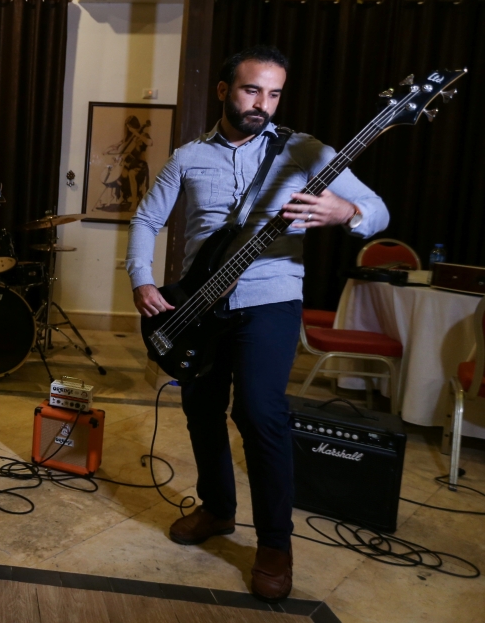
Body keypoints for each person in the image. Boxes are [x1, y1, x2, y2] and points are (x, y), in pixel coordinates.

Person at [125, 46, 389, 602]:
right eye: (251, 90)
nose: (262, 104)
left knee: (260, 413)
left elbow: (377, 209)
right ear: (224, 90)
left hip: (270, 299)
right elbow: (147, 219)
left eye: (273, 94)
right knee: (201, 408)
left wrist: (347, 213)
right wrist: (143, 281)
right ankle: (218, 509)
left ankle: (274, 544)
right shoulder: (189, 156)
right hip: (199, 304)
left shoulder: (306, 151)